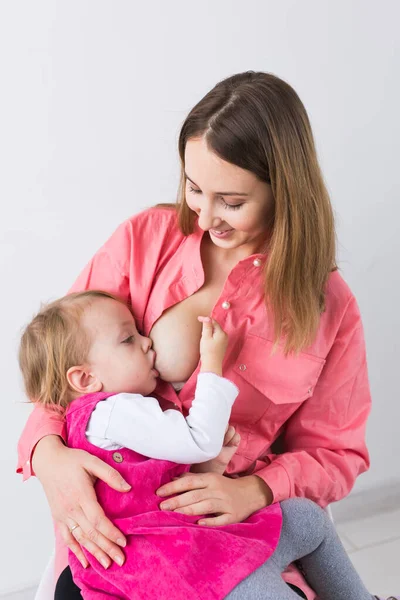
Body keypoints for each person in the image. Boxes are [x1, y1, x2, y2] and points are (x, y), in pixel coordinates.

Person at [17, 71, 372, 599]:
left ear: (286, 191)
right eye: (193, 187)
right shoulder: (143, 240)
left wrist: (254, 489)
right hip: (120, 540)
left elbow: (336, 454)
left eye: (231, 201)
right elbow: (60, 362)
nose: (205, 216)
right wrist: (49, 457)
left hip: (235, 535)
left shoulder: (330, 306)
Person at [18, 290, 395, 600]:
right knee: (275, 566)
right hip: (176, 564)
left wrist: (212, 468)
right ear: (85, 378)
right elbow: (198, 440)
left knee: (307, 520)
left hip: (186, 540)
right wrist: (212, 362)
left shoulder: (102, 421)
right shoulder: (116, 411)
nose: (148, 342)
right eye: (129, 339)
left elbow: (153, 485)